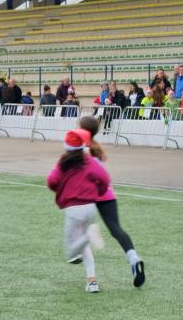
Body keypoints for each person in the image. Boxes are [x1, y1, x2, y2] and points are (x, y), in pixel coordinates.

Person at [79, 115, 146, 286]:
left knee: (81, 231)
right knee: (116, 229)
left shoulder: (81, 149)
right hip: (107, 193)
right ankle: (134, 258)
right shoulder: (97, 148)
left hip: (88, 194)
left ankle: (91, 279)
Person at [46, 129, 109, 293]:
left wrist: (60, 188)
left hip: (74, 209)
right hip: (90, 207)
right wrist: (99, 191)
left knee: (71, 252)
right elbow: (104, 178)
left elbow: (51, 180)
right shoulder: (89, 160)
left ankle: (88, 236)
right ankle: (92, 282)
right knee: (83, 245)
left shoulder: (63, 162)